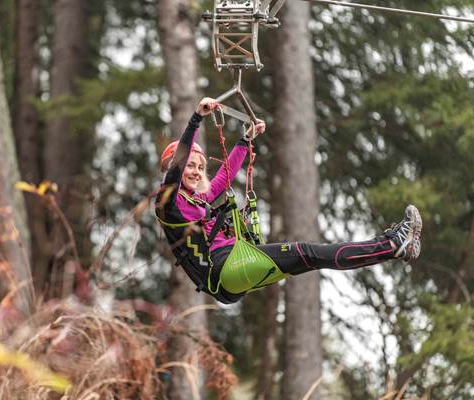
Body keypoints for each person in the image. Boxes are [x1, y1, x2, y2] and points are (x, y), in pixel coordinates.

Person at [155, 97, 422, 304]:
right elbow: (177, 167)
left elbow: (222, 180)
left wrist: (245, 141)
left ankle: (392, 247)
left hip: (231, 271)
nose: (196, 171)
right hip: (225, 269)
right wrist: (196, 120)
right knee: (309, 252)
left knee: (311, 257)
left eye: (200, 167)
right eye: (191, 165)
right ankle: (392, 245)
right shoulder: (169, 203)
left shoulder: (198, 200)